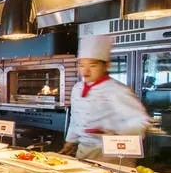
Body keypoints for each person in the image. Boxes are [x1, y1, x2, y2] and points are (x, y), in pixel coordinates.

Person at [59, 35, 150, 165]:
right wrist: (70, 142)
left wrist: (113, 132)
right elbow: (75, 119)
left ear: (107, 65)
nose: (86, 71)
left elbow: (141, 121)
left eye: (93, 65)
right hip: (85, 152)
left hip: (111, 157)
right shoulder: (77, 88)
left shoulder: (117, 90)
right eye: (82, 65)